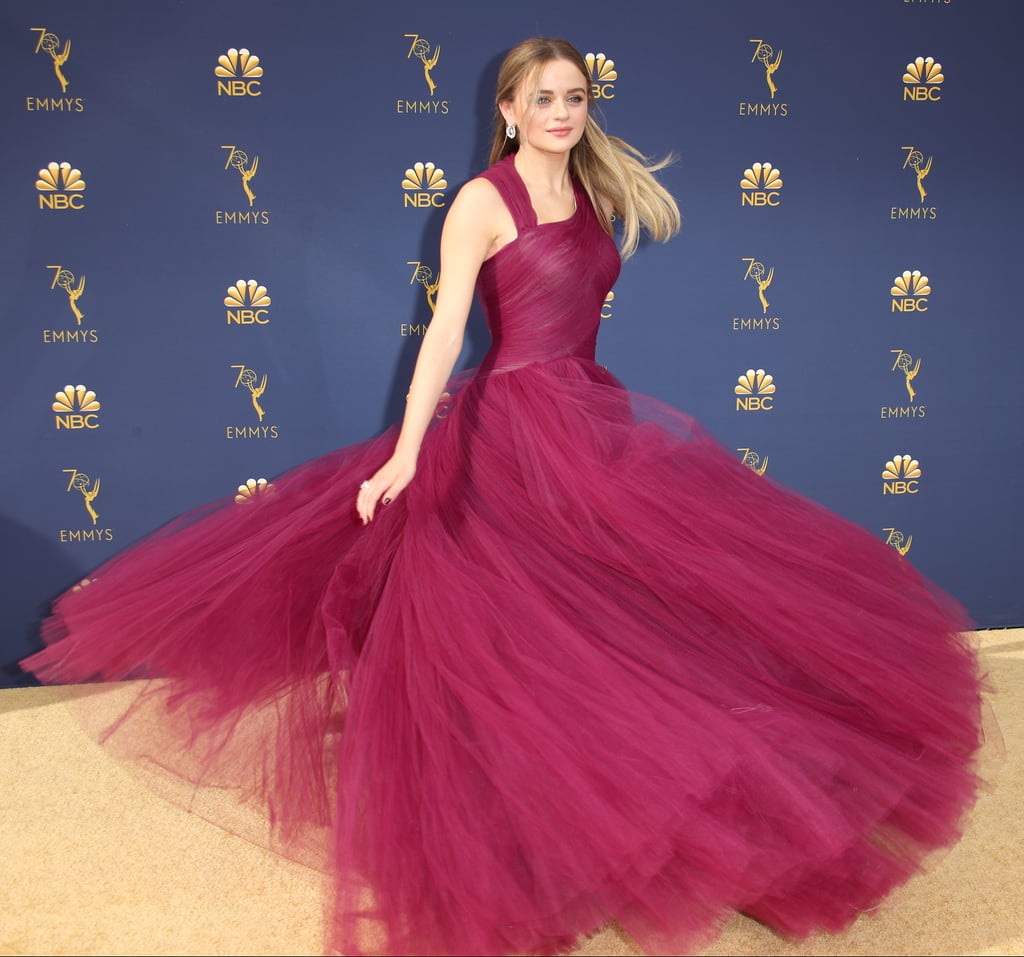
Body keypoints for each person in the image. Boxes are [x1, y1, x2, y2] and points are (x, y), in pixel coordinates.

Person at [23, 37, 987, 957]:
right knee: (512, 638)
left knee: (619, 623)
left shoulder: (594, 186)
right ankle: (534, 843)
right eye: (543, 100)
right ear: (509, 109)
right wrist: (404, 453)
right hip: (516, 429)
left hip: (588, 413)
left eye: (575, 99)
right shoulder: (481, 200)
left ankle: (661, 800)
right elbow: (445, 330)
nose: (561, 113)